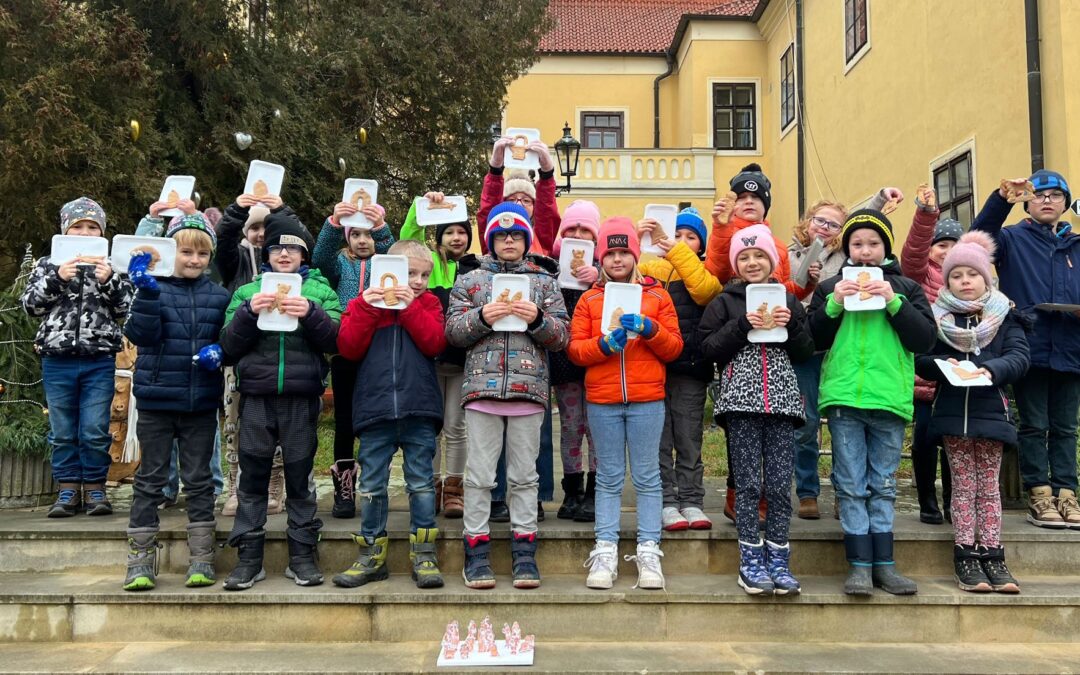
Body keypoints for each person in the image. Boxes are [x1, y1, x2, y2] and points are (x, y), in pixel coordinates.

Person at [808, 209, 936, 596]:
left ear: (886, 248)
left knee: (882, 483)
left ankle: (886, 565)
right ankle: (859, 566)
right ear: (847, 248)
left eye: (874, 244)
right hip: (845, 397)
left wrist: (894, 303)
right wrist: (832, 304)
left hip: (889, 399)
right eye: (857, 244)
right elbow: (811, 338)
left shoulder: (906, 288)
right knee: (849, 483)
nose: (865, 252)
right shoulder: (831, 286)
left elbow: (924, 340)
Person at [445, 203, 569, 590]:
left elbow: (561, 336)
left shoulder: (545, 282)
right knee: (480, 477)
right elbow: (453, 332)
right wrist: (484, 316)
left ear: (526, 239)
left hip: (528, 393)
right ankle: (477, 552)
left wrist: (536, 319)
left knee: (524, 478)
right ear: (491, 240)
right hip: (481, 392)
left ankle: (524, 552)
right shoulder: (471, 280)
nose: (509, 240)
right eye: (501, 235)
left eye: (516, 235)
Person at [219, 211, 341, 590]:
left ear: (304, 255)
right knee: (252, 479)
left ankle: (302, 556)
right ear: (267, 253)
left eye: (292, 248)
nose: (285, 254)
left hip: (302, 398)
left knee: (301, 480)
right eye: (277, 248)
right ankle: (249, 558)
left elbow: (337, 342)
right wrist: (247, 313)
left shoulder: (320, 291)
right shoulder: (246, 291)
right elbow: (226, 346)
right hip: (256, 397)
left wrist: (312, 313)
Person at [698, 224, 814, 595]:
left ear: (773, 261)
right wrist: (740, 325)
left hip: (781, 402)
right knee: (748, 484)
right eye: (744, 257)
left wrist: (792, 323)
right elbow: (707, 348)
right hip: (741, 403)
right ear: (735, 263)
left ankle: (779, 557)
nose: (752, 262)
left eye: (759, 256)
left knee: (780, 485)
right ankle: (750, 558)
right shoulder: (724, 301)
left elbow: (805, 350)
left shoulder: (789, 299)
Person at [568, 217, 683, 591]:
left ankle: (649, 550)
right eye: (610, 253)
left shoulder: (658, 296)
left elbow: (674, 348)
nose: (617, 260)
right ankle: (605, 549)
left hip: (647, 398)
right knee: (609, 477)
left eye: (624, 252)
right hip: (602, 400)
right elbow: (575, 350)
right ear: (601, 258)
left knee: (649, 477)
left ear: (635, 255)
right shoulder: (589, 299)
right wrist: (604, 345)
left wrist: (650, 329)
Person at [915, 232, 1029, 593]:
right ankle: (966, 555)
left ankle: (994, 554)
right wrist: (941, 364)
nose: (965, 281)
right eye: (957, 276)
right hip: (951, 414)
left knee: (989, 489)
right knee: (963, 487)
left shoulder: (1004, 316)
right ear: (947, 281)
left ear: (986, 278)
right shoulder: (937, 320)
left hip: (991, 414)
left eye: (972, 275)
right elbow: (919, 357)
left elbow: (1019, 356)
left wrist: (992, 369)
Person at [121, 215, 230, 590]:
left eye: (202, 253)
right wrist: (146, 294)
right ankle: (139, 560)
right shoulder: (153, 289)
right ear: (172, 251)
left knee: (199, 480)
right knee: (150, 479)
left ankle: (201, 557)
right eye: (186, 251)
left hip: (199, 402)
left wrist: (221, 350)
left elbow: (230, 338)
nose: (194, 259)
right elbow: (141, 334)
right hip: (156, 400)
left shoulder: (218, 295)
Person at [333, 240, 447, 589]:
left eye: (424, 275)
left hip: (419, 409)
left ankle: (424, 554)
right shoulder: (363, 305)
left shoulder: (428, 303)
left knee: (421, 484)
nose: (417, 281)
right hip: (375, 411)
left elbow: (435, 343)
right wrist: (369, 308)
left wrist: (410, 307)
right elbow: (348, 348)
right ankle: (371, 555)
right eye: (409, 273)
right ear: (388, 272)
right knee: (371, 486)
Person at [971, 170, 1080, 529]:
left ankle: (1068, 493)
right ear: (1029, 203)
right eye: (1040, 195)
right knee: (1033, 424)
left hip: (1072, 348)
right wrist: (1002, 199)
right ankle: (1039, 492)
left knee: (1066, 426)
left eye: (1055, 195)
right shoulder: (1012, 239)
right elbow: (977, 239)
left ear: (1065, 204)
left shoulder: (1076, 246)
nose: (1047, 201)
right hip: (1028, 346)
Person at [22, 197, 133, 517]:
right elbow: (31, 306)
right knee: (63, 429)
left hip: (98, 359)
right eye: (78, 227)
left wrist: (108, 279)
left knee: (95, 428)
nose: (85, 233)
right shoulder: (47, 264)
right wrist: (58, 276)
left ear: (102, 232)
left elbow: (127, 309)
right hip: (57, 359)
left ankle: (96, 488)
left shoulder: (113, 266)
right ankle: (68, 489)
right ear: (65, 230)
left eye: (92, 227)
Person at [637, 207, 721, 530]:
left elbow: (704, 291)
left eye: (690, 238)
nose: (681, 242)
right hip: (653, 367)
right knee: (659, 438)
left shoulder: (700, 272)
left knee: (688, 437)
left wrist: (676, 251)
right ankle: (666, 501)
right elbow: (626, 274)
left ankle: (692, 500)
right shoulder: (648, 267)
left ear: (700, 245)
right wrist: (638, 238)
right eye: (677, 235)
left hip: (690, 367)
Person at [312, 198, 395, 518]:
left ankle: (377, 484)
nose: (364, 241)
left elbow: (394, 252)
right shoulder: (339, 264)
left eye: (369, 235)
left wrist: (382, 227)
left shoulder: (383, 263)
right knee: (345, 420)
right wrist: (334, 222)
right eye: (356, 235)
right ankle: (344, 488)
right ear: (347, 238)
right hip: (345, 351)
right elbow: (319, 256)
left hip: (378, 350)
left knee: (375, 419)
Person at [399, 192, 474, 518]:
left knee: (457, 427)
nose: (456, 237)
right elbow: (407, 241)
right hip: (427, 358)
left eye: (462, 232)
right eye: (449, 232)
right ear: (438, 236)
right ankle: (429, 485)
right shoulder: (430, 265)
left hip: (460, 362)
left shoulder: (474, 267)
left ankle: (455, 488)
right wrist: (421, 206)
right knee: (429, 426)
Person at [216, 193, 290, 516]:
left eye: (266, 227)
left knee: (272, 421)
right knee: (233, 420)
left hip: (273, 352)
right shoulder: (235, 260)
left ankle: (275, 484)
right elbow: (222, 238)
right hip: (238, 352)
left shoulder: (286, 261)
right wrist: (236, 211)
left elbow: (301, 238)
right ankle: (235, 484)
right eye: (255, 227)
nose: (260, 234)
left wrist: (281, 210)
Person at [901, 185, 963, 525]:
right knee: (924, 438)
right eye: (941, 245)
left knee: (954, 442)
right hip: (926, 374)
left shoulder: (969, 278)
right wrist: (926, 215)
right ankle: (927, 499)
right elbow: (912, 253)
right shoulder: (920, 273)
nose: (947, 252)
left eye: (955, 246)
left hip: (959, 378)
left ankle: (955, 501)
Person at [787, 199, 847, 519]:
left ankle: (843, 491)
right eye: (819, 220)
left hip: (835, 347)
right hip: (801, 347)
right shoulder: (789, 252)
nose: (824, 228)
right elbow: (788, 288)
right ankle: (807, 491)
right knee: (806, 423)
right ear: (808, 221)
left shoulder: (845, 257)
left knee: (841, 423)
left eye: (833, 224)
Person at [548, 200, 601, 521]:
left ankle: (595, 491)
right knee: (570, 427)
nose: (578, 234)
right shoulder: (552, 266)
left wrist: (600, 276)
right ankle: (572, 490)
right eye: (572, 229)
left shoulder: (604, 266)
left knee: (596, 428)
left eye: (585, 230)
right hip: (565, 360)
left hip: (597, 360)